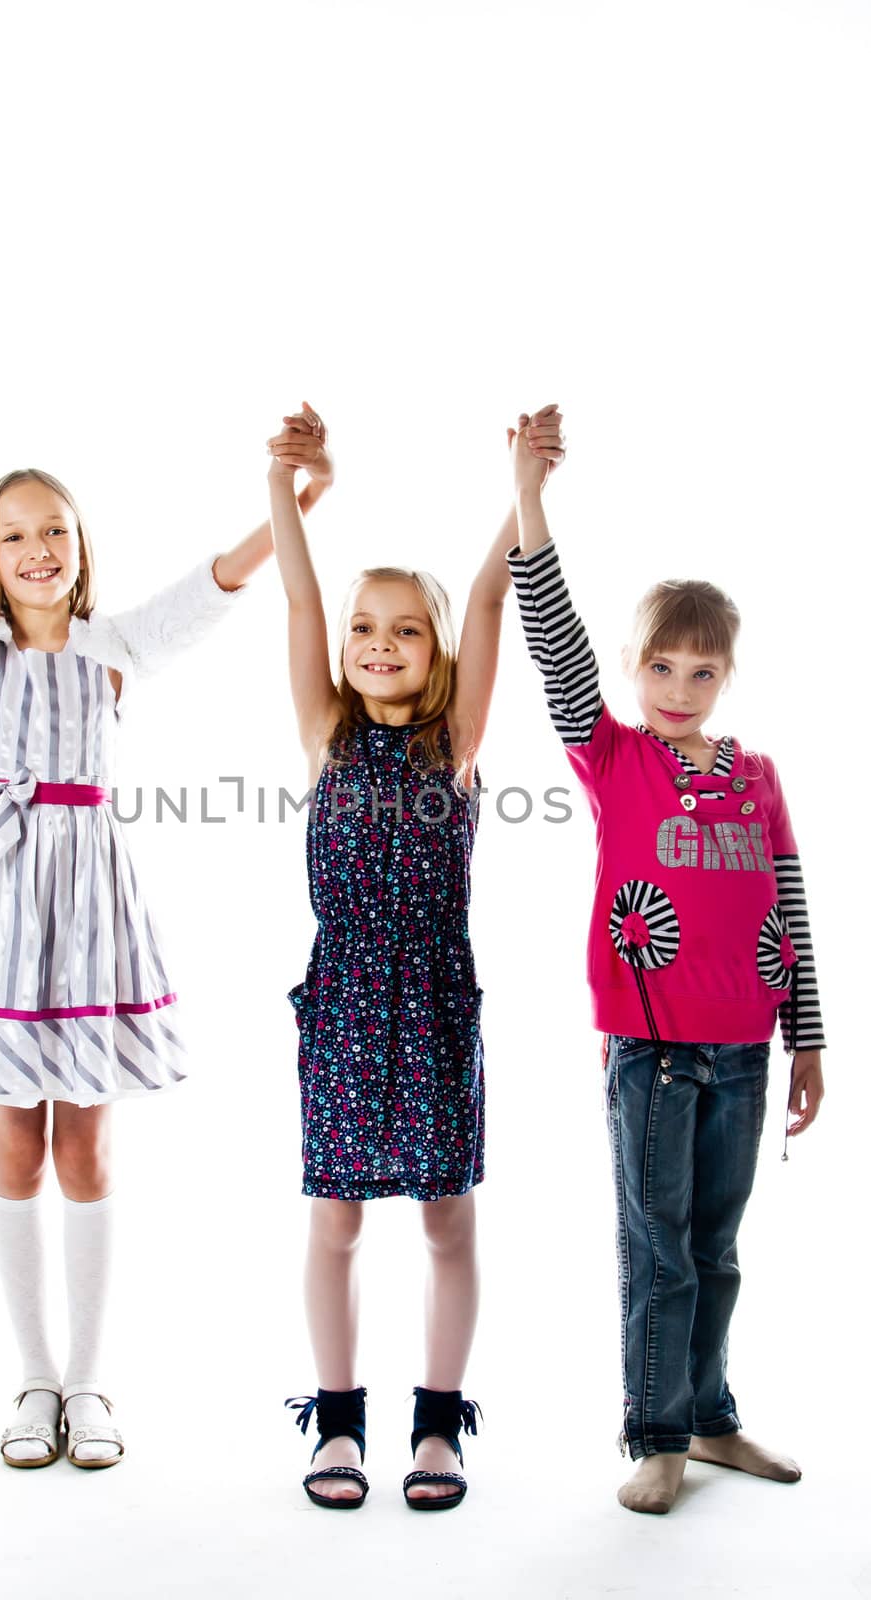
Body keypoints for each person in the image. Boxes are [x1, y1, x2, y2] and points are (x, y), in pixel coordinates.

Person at [0, 300, 333, 1469]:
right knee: (14, 1142)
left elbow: (216, 585)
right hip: (0, 920)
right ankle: (32, 1381)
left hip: (94, 911)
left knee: (89, 1150)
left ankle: (93, 1385)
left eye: (54, 529)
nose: (38, 548)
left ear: (81, 547)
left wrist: (294, 501)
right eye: (14, 536)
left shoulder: (114, 650)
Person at [506, 416, 825, 1514]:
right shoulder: (614, 759)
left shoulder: (758, 777)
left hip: (742, 1054)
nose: (677, 686)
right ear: (632, 669)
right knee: (659, 1256)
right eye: (658, 665)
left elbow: (787, 907)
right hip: (650, 1053)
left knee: (717, 1249)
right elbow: (550, 632)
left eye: (700, 670)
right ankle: (654, 1436)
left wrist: (809, 1040)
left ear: (725, 675)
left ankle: (708, 1415)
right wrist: (527, 492)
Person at [271, 402, 565, 1510]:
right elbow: (298, 594)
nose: (377, 644)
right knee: (334, 1219)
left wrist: (524, 484)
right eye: (364, 627)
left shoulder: (457, 745)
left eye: (402, 628)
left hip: (435, 999)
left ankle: (436, 1424)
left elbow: (490, 592)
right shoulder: (321, 733)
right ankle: (335, 1421)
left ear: (434, 649)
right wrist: (281, 480)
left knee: (447, 1218)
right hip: (343, 999)